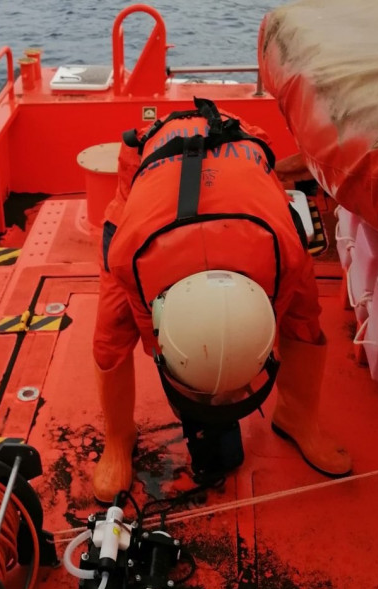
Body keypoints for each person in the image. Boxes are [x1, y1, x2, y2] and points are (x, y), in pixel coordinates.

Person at [92, 97, 351, 503]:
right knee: (109, 337)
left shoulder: (286, 252)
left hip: (240, 153)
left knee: (305, 320)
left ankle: (299, 418)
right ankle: (119, 437)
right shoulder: (130, 258)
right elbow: (145, 342)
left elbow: (290, 322)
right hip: (149, 180)